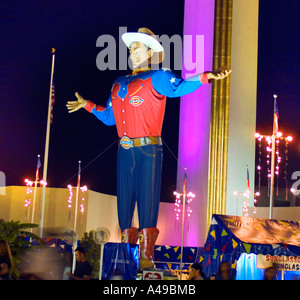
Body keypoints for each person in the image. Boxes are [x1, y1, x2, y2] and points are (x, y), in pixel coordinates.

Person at [67, 27, 231, 270]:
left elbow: (180, 87)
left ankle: (146, 255)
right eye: (131, 48)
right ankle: (125, 255)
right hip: (123, 150)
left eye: (138, 48)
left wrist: (206, 76)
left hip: (149, 150)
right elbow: (110, 117)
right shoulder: (118, 83)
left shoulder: (159, 76)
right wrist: (89, 105)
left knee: (147, 201)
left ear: (151, 52)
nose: (133, 52)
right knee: (124, 204)